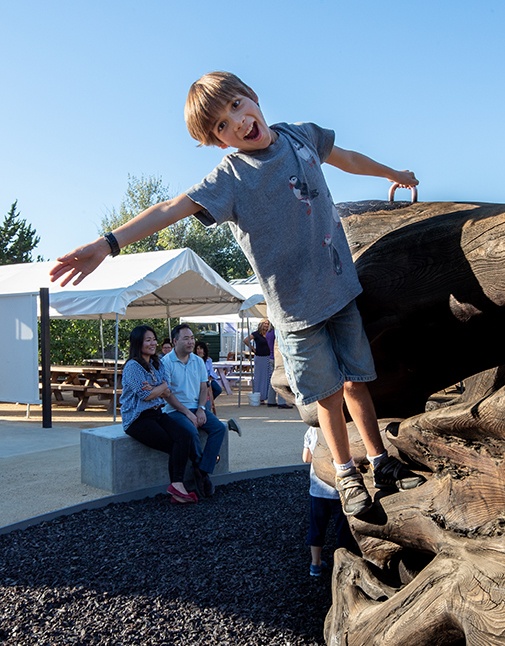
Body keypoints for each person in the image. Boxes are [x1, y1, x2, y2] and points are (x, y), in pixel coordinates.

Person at [50, 70, 425, 517]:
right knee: (327, 395)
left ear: (253, 97)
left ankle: (380, 461)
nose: (238, 122)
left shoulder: (301, 136)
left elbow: (345, 157)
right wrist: (107, 244)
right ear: (221, 142)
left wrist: (393, 172)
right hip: (296, 311)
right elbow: (171, 208)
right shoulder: (231, 177)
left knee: (356, 381)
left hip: (340, 290)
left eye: (236, 106)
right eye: (223, 126)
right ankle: (346, 473)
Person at [120, 325, 197, 504]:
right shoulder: (132, 367)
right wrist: (159, 388)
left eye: (154, 339)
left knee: (184, 436)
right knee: (173, 444)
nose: (153, 343)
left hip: (156, 413)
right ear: (138, 343)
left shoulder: (157, 363)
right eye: (148, 340)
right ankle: (177, 487)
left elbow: (166, 389)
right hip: (137, 418)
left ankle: (177, 486)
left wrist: (158, 388)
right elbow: (146, 395)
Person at [160, 324, 226, 497]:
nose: (191, 342)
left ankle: (202, 470)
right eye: (186, 338)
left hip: (196, 407)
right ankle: (201, 470)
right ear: (175, 341)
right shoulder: (165, 363)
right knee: (190, 431)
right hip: (174, 410)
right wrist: (187, 413)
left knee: (219, 428)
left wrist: (201, 409)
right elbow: (167, 394)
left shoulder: (198, 361)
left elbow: (203, 387)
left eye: (192, 338)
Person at [302, 426, 358, 576]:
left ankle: (315, 564)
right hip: (339, 489)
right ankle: (344, 564)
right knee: (343, 529)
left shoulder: (311, 431)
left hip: (318, 489)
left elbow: (306, 458)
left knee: (317, 527)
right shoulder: (344, 428)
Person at [243, 319, 271, 404]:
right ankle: (259, 395)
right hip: (259, 356)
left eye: (267, 324)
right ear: (261, 324)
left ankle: (266, 396)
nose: (266, 325)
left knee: (267, 377)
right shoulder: (256, 334)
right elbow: (246, 340)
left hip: (268, 357)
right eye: (265, 324)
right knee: (259, 377)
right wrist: (252, 348)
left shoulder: (269, 334)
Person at [265, 324, 292, 409]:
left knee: (272, 380)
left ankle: (271, 400)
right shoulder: (277, 332)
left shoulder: (268, 333)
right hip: (279, 357)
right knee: (281, 379)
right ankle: (282, 401)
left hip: (271, 357)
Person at [195, 340, 222, 407]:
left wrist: (210, 378)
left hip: (208, 379)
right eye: (197, 349)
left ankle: (209, 401)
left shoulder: (208, 360)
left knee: (218, 389)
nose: (199, 350)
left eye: (201, 348)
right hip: (198, 380)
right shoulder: (194, 360)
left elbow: (211, 371)